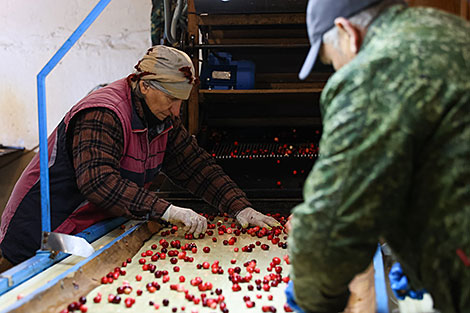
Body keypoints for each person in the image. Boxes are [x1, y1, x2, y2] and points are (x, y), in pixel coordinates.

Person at [0, 45, 279, 272]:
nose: (175, 110)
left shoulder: (161, 117)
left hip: (86, 231)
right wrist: (168, 211)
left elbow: (194, 165)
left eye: (181, 101)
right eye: (171, 99)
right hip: (43, 230)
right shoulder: (103, 113)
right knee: (30, 292)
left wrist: (240, 208)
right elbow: (98, 182)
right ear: (144, 85)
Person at [287, 0, 470, 312]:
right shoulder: (452, 32)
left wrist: (316, 294)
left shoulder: (373, 71)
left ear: (347, 32)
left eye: (333, 60)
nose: (338, 70)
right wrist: (418, 253)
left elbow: (331, 225)